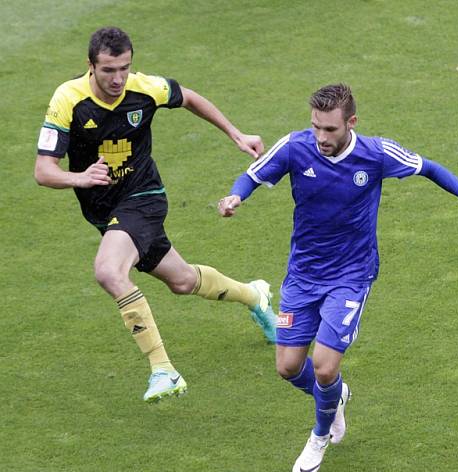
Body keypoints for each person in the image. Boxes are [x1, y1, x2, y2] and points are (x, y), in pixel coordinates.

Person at [218, 83, 458, 472]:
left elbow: (429, 168)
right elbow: (253, 175)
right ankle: (334, 398)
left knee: (324, 368)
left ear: (351, 123)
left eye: (329, 129)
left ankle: (319, 434)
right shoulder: (295, 146)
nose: (321, 137)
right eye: (315, 128)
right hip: (303, 273)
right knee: (289, 367)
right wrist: (235, 197)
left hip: (351, 273)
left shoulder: (376, 153)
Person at [34, 27, 278, 402]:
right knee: (181, 281)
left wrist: (235, 134)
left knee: (109, 271)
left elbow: (189, 97)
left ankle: (163, 369)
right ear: (90, 66)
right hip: (104, 210)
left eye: (125, 68)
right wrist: (79, 178)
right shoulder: (68, 99)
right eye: (108, 70)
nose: (118, 79)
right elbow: (43, 171)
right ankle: (254, 296)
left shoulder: (145, 87)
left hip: (143, 198)